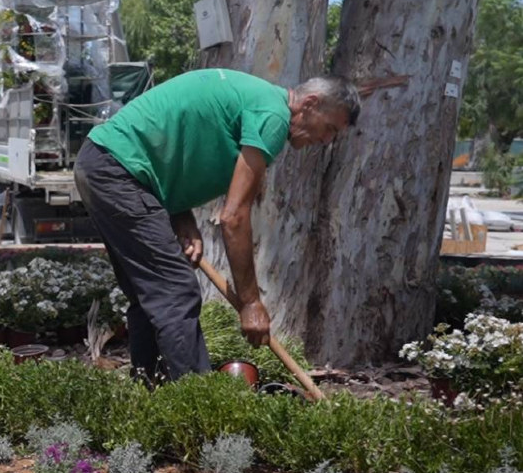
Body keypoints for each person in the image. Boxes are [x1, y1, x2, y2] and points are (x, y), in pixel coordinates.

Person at [74, 70, 360, 384]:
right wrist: (251, 302)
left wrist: (182, 217)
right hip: (119, 170)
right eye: (329, 128)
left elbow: (177, 141)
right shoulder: (273, 116)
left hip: (106, 163)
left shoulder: (260, 99)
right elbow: (233, 217)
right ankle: (199, 404)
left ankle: (150, 392)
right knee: (177, 292)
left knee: (152, 296)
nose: (326, 140)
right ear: (310, 103)